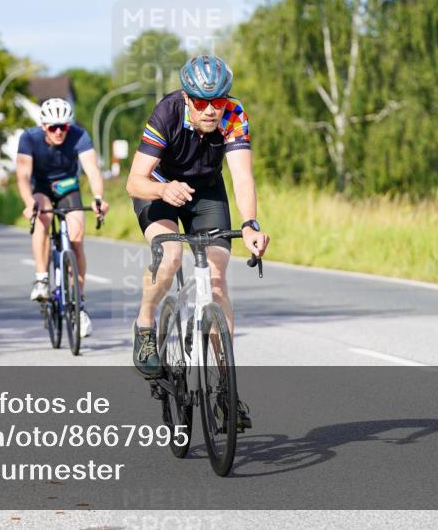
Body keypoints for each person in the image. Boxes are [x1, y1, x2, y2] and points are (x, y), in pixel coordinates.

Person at [125, 55, 270, 431]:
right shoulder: (167, 114)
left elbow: (242, 177)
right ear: (188, 98)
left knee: (218, 277)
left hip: (206, 191)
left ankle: (225, 388)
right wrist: (163, 188)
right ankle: (145, 326)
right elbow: (133, 181)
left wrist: (251, 224)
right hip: (158, 187)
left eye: (217, 101)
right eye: (201, 102)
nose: (210, 110)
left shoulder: (233, 114)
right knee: (170, 255)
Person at [16, 97, 109, 337]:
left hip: (69, 188)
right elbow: (23, 176)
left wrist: (98, 197)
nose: (59, 132)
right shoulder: (29, 138)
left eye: (63, 127)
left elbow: (92, 170)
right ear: (43, 126)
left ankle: (80, 305)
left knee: (76, 238)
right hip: (42, 189)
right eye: (53, 127)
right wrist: (28, 203)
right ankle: (42, 279)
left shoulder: (79, 136)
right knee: (42, 217)